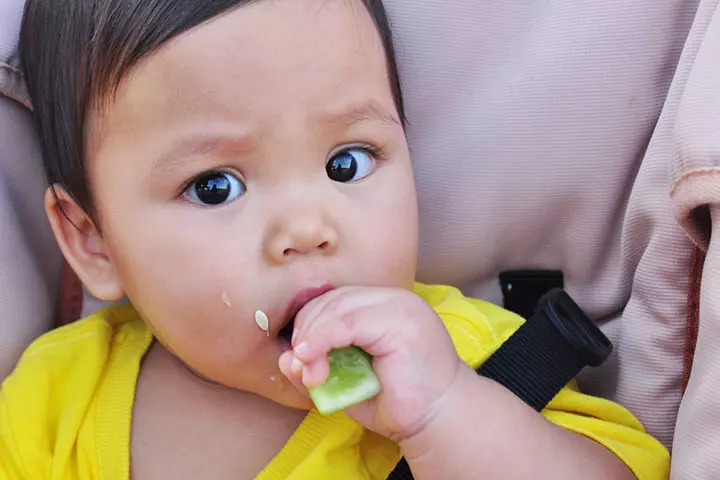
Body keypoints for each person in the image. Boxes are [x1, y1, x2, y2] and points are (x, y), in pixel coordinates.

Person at [0, 0, 668, 478]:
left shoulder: (465, 363)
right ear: (95, 242)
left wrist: (445, 416)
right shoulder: (57, 400)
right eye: (215, 187)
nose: (308, 229)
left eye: (346, 162)